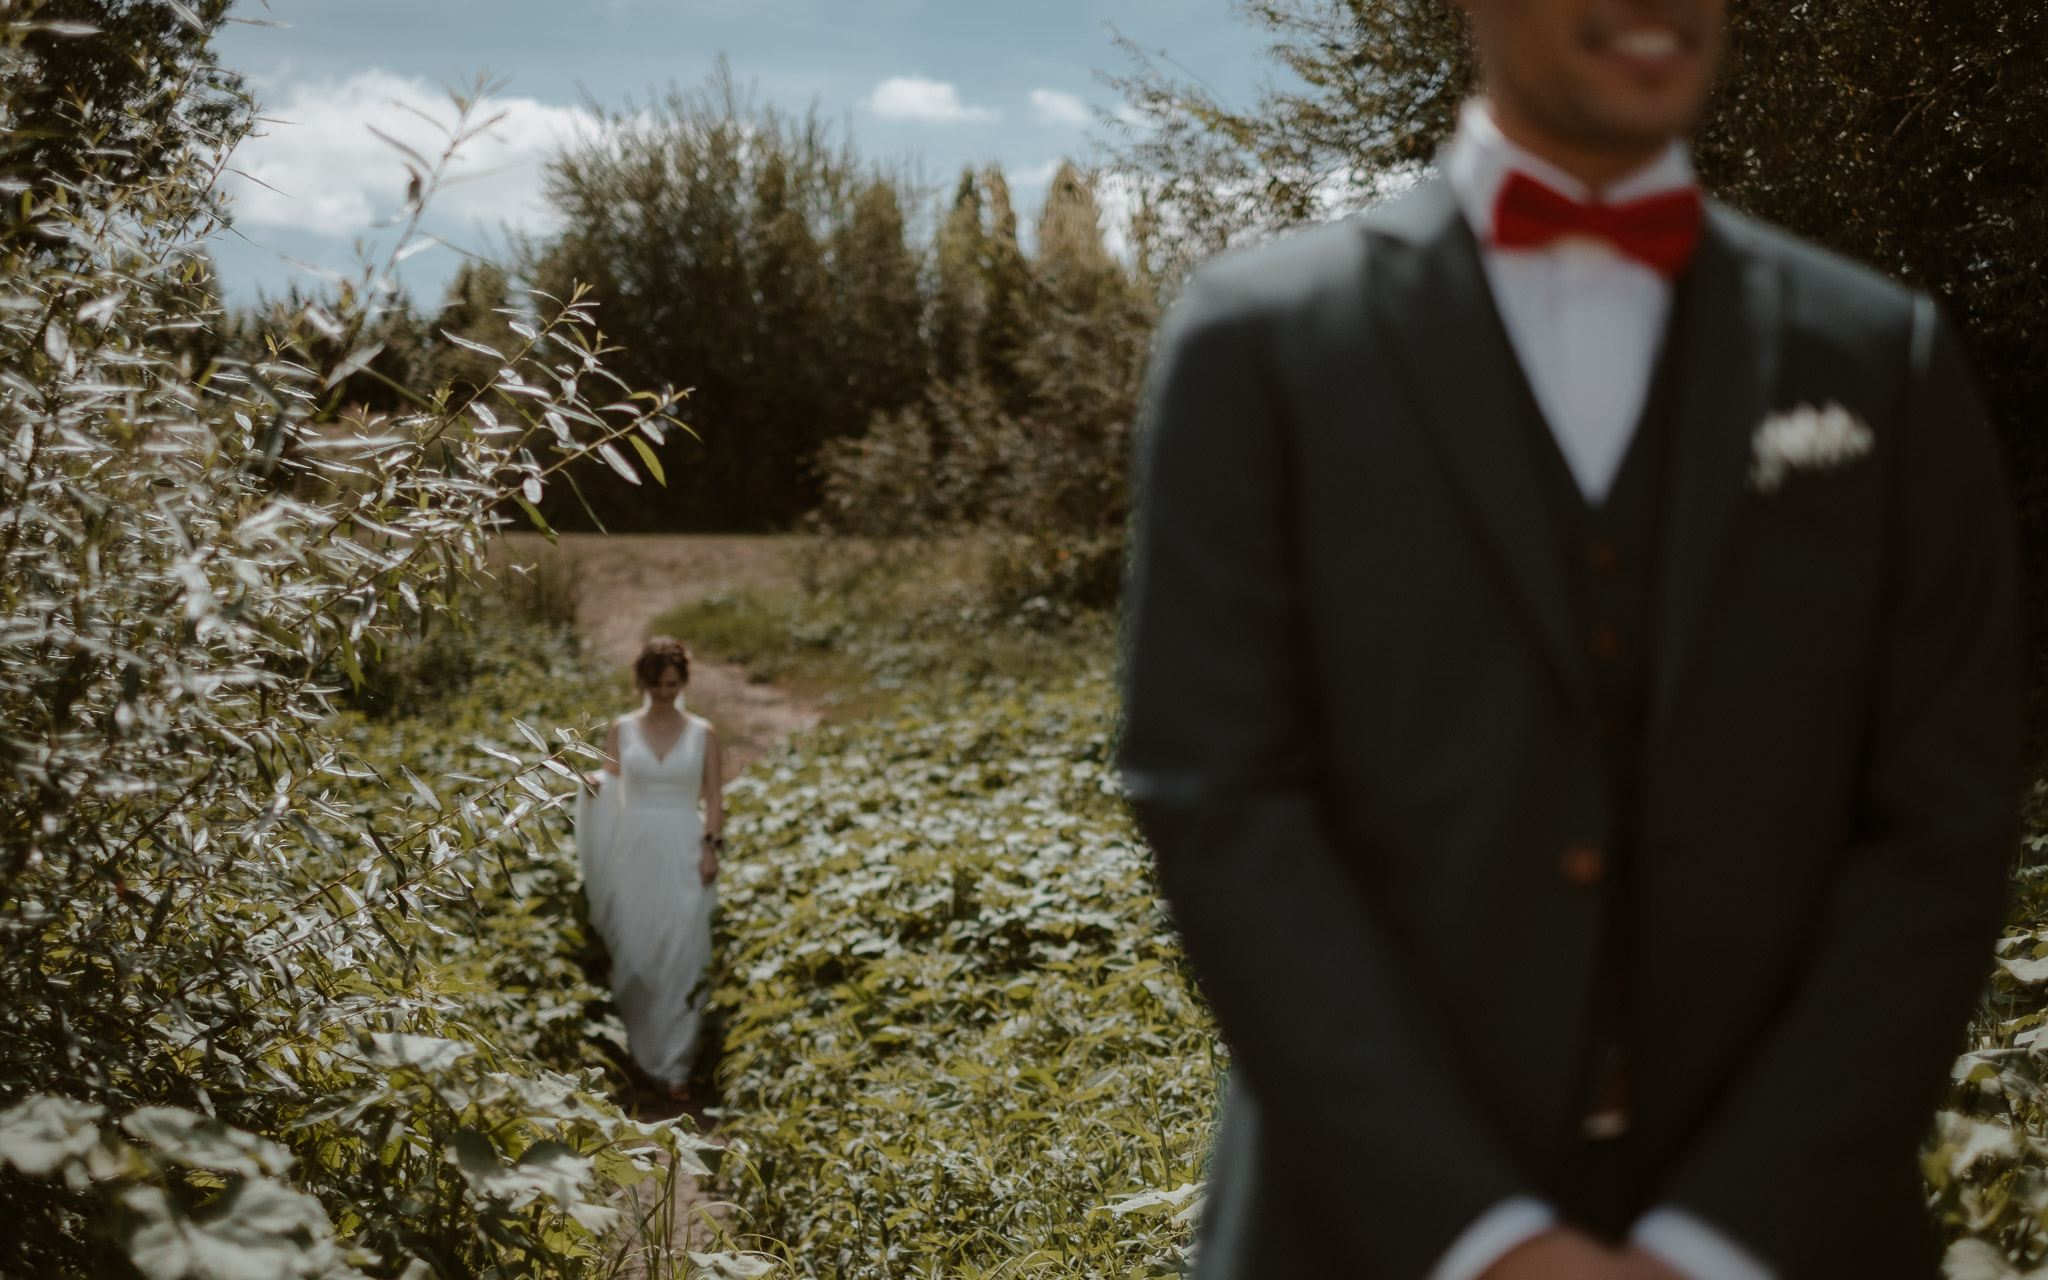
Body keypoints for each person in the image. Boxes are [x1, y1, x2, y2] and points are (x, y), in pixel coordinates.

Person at [1118, 0, 2018, 1277]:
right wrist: (1479, 1237)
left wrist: (1719, 1238)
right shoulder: (1257, 345)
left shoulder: (1879, 355)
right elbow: (1218, 793)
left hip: (1796, 1235)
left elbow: (1943, 820)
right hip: (1356, 1230)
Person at [576, 636, 724, 1103]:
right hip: (633, 848)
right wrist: (592, 783)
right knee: (636, 955)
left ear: (683, 682)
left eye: (673, 684)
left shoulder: (704, 733)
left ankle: (677, 1067)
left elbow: (715, 797)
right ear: (642, 682)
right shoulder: (623, 728)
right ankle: (640, 1058)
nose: (664, 693)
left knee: (682, 954)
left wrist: (710, 848)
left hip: (683, 845)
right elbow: (611, 779)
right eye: (657, 685)